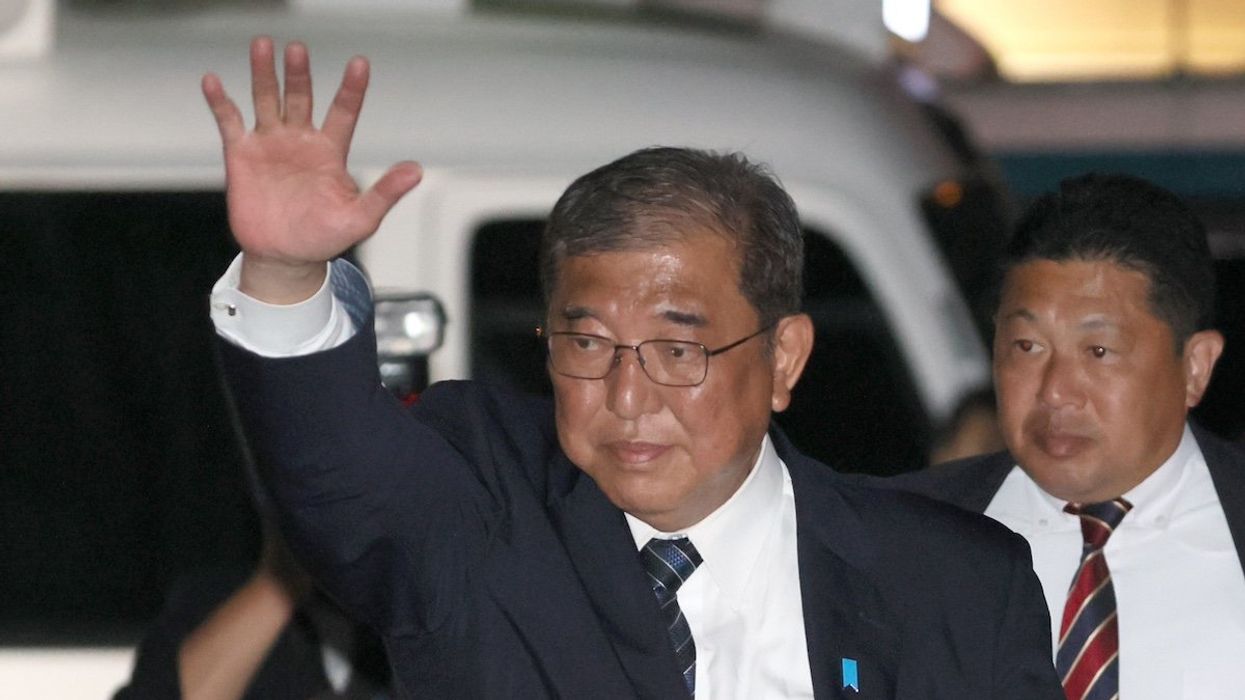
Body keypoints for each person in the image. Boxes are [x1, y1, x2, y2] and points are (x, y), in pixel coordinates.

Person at [204, 36, 1062, 698]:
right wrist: (285, 276)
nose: (625, 395)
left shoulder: (950, 586)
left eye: (678, 349)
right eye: (585, 345)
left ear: (782, 358)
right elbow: (335, 478)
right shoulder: (484, 511)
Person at [894, 173, 1245, 699]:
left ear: (1195, 367)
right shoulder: (896, 540)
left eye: (1098, 351)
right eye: (1027, 347)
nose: (1055, 392)